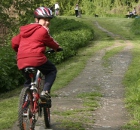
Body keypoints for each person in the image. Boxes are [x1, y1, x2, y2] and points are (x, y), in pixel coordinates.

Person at [11, 7, 62, 107]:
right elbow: (50, 42)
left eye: (49, 20)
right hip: (37, 58)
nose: (47, 22)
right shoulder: (43, 31)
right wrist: (57, 48)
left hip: (21, 60)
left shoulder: (23, 31)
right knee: (51, 70)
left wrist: (20, 51)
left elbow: (14, 42)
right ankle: (45, 92)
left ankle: (24, 107)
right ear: (37, 20)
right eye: (44, 20)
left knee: (28, 82)